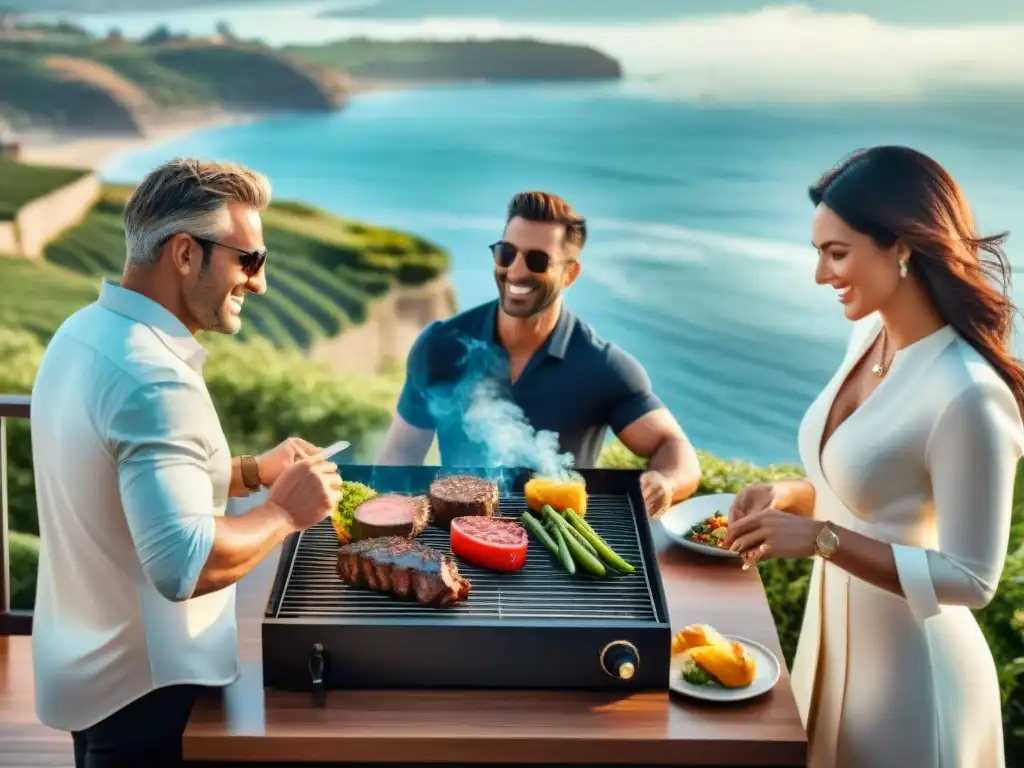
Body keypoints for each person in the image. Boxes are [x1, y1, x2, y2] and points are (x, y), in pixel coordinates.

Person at [29, 158, 343, 768]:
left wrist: (253, 472)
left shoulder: (81, 334)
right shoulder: (153, 381)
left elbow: (124, 485)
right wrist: (283, 512)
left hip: (89, 670)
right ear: (183, 254)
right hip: (151, 691)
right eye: (248, 260)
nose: (260, 282)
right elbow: (183, 563)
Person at [724, 145, 1024, 767]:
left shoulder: (968, 394)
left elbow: (973, 578)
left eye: (837, 254)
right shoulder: (869, 336)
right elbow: (867, 493)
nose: (821, 275)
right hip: (829, 648)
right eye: (819, 253)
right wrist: (789, 496)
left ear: (903, 246)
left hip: (914, 683)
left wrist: (819, 539)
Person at [376, 190, 701, 518]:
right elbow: (399, 456)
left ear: (570, 273)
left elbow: (672, 447)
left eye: (537, 260)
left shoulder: (604, 367)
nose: (515, 272)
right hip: (454, 535)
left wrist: (666, 482)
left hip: (562, 548)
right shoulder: (441, 345)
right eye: (506, 254)